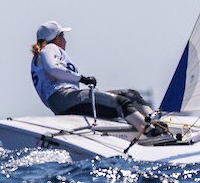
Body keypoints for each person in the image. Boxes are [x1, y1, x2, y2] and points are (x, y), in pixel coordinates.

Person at [30, 21, 167, 139]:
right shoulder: (49, 48)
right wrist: (82, 78)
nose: (65, 40)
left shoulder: (40, 56)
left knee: (131, 95)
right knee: (121, 102)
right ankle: (151, 131)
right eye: (63, 36)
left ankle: (155, 122)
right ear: (55, 38)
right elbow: (53, 69)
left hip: (65, 101)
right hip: (64, 99)